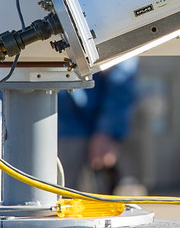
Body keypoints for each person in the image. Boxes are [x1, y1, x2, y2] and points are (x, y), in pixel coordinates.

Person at [58, 57, 138, 194]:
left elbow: (122, 73)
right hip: (26, 125)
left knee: (71, 204)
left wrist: (107, 131)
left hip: (78, 132)